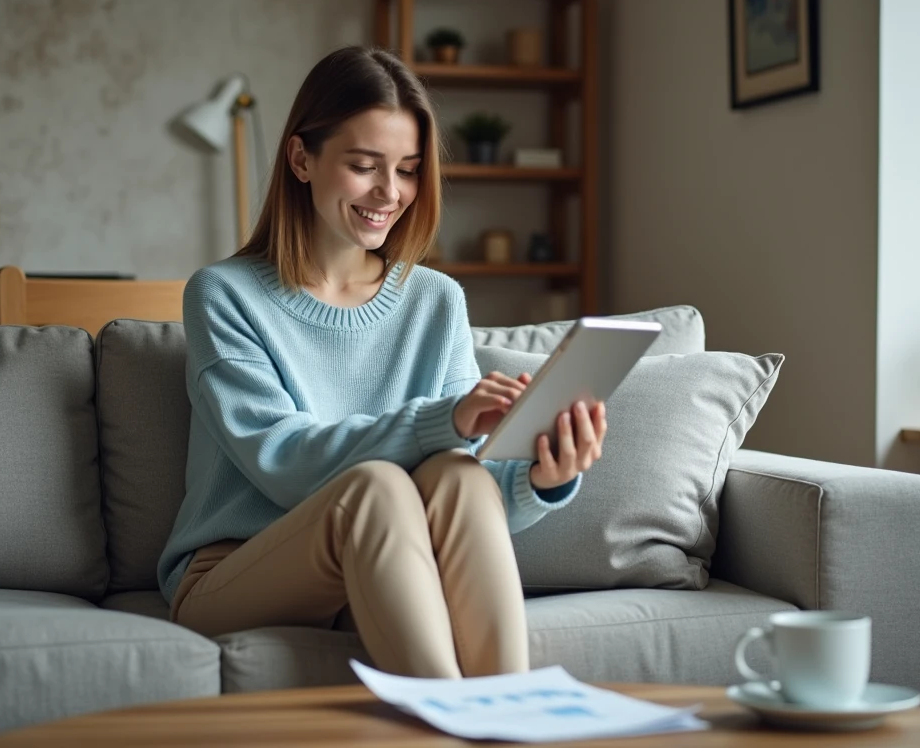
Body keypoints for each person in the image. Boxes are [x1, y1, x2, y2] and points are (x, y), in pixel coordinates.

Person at [159, 45, 607, 679]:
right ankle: (454, 718)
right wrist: (440, 421)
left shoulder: (435, 300)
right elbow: (281, 461)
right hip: (236, 572)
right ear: (301, 158)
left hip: (383, 562)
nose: (389, 193)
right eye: (365, 166)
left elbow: (464, 507)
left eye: (408, 169)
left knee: (458, 477)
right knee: (378, 486)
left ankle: (511, 708)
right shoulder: (225, 295)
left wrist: (544, 478)